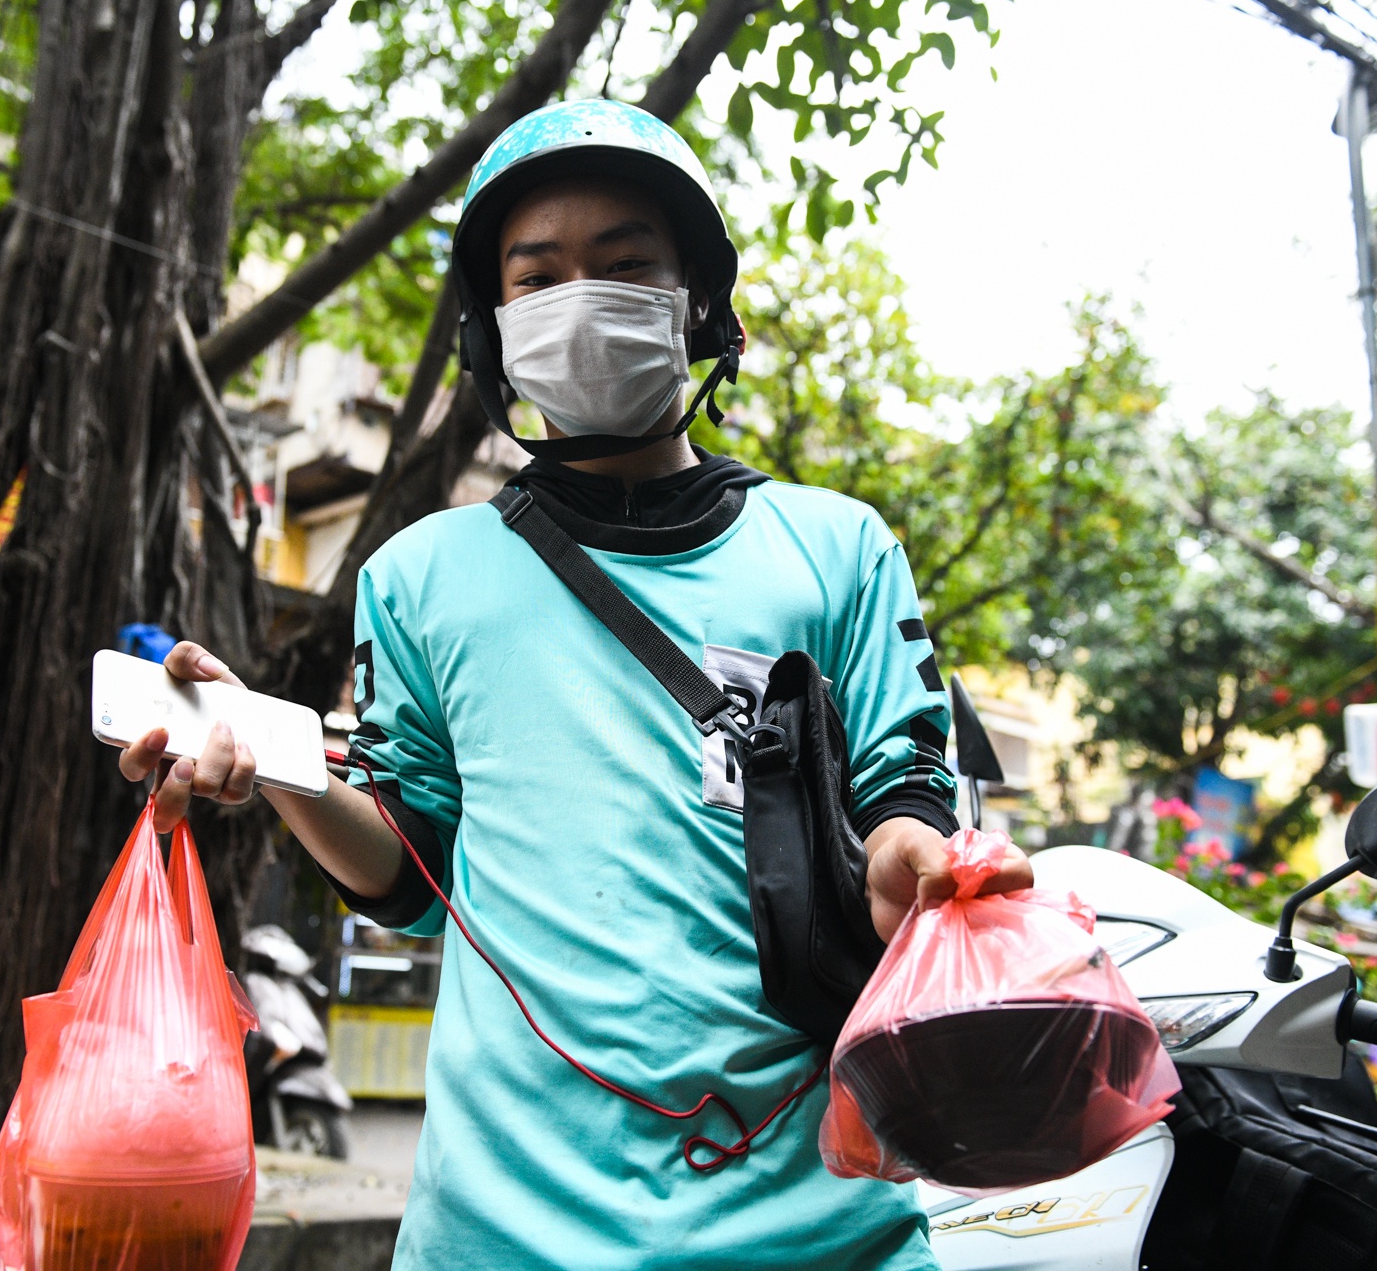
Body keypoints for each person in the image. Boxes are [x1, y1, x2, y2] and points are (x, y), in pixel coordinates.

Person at [117, 99, 1032, 1270]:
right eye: (536, 277)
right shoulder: (418, 575)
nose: (580, 300)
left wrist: (910, 847)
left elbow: (905, 778)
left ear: (696, 300)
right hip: (499, 1234)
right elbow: (407, 873)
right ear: (493, 325)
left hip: (822, 1229)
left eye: (625, 264)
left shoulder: (841, 547)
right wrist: (278, 754)